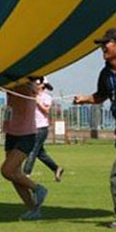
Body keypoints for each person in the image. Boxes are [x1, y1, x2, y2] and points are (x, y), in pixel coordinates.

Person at [73, 27, 116, 228]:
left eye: (106, 44)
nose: (102, 48)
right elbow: (101, 95)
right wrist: (84, 99)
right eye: (101, 45)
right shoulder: (105, 73)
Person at [2, 82, 48, 220]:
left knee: (7, 171)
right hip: (11, 133)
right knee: (15, 175)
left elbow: (31, 90)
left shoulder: (29, 87)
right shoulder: (12, 83)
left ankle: (37, 189)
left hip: (26, 135)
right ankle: (33, 210)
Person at [24, 77, 63, 181]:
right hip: (32, 127)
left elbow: (46, 110)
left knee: (32, 150)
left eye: (36, 84)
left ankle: (26, 174)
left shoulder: (46, 97)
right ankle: (56, 168)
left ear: (42, 86)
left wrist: (38, 102)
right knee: (40, 153)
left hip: (41, 128)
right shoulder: (30, 96)